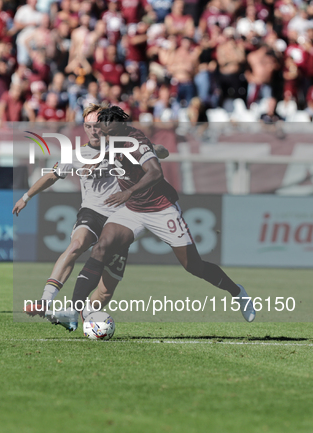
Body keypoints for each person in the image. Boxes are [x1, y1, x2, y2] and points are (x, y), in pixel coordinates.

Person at [50, 106, 256, 331]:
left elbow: (156, 172)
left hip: (161, 209)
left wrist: (128, 190)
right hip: (133, 210)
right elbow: (117, 154)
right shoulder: (112, 139)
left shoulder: (134, 140)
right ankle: (73, 310)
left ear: (120, 126)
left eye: (107, 129)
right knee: (101, 247)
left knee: (194, 266)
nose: (103, 134)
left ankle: (238, 292)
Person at [13, 104, 170, 317]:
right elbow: (51, 175)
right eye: (88, 126)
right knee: (76, 245)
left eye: (97, 126)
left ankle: (81, 316)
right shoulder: (78, 154)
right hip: (92, 211)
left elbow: (163, 152)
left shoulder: (125, 145)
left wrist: (148, 148)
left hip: (121, 218)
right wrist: (26, 197)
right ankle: (45, 301)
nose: (93, 131)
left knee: (105, 292)